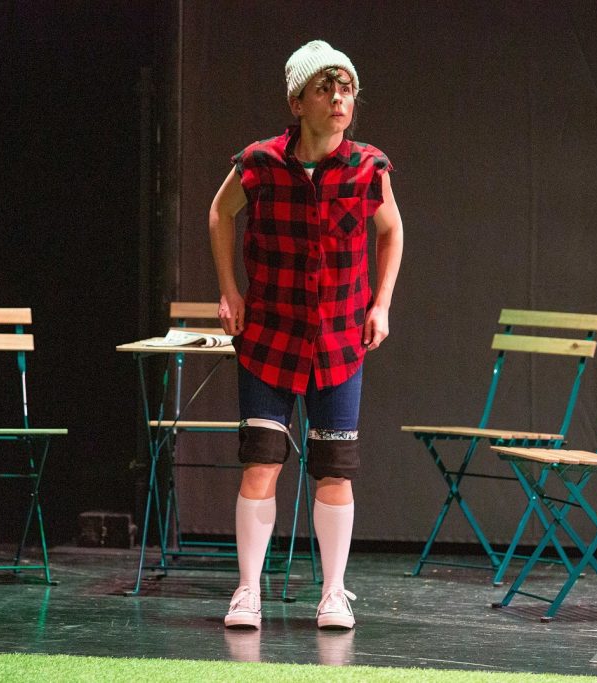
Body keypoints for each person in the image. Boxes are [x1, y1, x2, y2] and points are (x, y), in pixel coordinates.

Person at [208, 40, 403, 630]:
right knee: (261, 463)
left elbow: (391, 230)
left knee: (335, 468)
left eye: (346, 89)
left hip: (338, 340)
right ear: (297, 101)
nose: (339, 99)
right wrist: (230, 291)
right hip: (270, 336)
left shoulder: (368, 167)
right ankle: (248, 591)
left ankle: (334, 593)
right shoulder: (260, 162)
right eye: (325, 88)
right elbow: (219, 213)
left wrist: (381, 304)